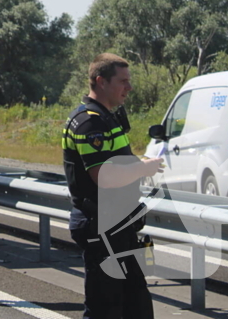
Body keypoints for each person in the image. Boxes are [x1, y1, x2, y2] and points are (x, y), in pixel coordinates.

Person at [62, 53, 164, 319]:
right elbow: (103, 176)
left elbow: (116, 163)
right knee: (105, 308)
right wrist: (144, 168)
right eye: (123, 81)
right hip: (102, 226)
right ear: (101, 81)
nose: (129, 88)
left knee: (136, 306)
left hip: (118, 225)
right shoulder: (89, 122)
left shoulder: (106, 117)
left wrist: (139, 163)